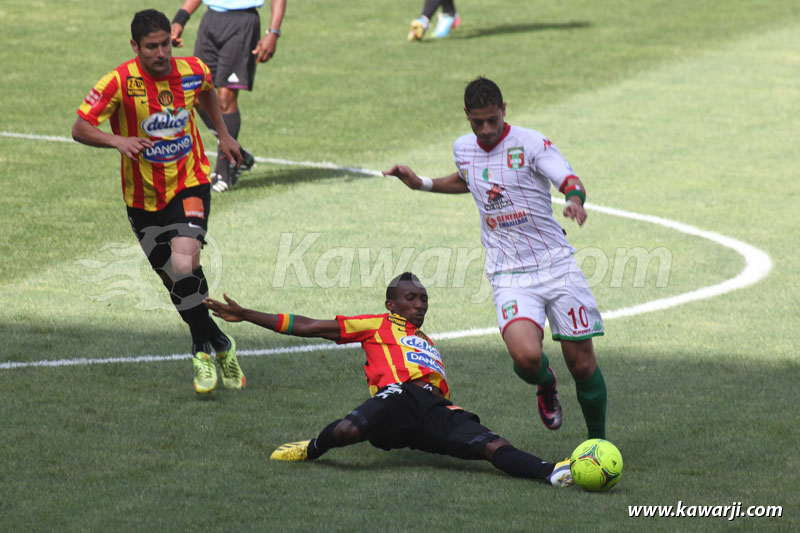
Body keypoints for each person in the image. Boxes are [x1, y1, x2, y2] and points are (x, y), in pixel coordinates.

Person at [383, 77, 608, 440]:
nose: (486, 129)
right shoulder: (463, 148)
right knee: (526, 358)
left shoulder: (531, 142)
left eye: (492, 120)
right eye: (477, 122)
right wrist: (420, 183)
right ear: (467, 117)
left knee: (582, 364)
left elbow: (568, 179)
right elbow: (469, 180)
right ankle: (546, 384)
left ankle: (597, 441)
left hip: (556, 264)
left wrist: (574, 200)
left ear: (504, 110)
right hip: (508, 272)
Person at [203, 272, 574, 487]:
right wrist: (248, 314)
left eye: (424, 299)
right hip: (396, 399)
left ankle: (551, 472)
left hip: (433, 408)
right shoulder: (377, 325)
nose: (420, 304)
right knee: (347, 432)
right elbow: (312, 326)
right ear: (391, 305)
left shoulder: (427, 342)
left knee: (492, 446)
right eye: (411, 298)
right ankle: (313, 447)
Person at [71, 9, 246, 394]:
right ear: (135, 46)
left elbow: (207, 95)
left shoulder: (193, 68)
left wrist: (222, 134)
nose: (161, 52)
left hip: (189, 182)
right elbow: (80, 127)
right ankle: (216, 341)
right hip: (142, 197)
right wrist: (118, 141)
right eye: (152, 46)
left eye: (166, 43)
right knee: (173, 279)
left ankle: (201, 352)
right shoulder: (117, 82)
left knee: (185, 264)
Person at [170, 0, 287, 192]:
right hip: (211, 21)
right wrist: (180, 19)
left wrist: (273, 32)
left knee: (226, 98)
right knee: (196, 93)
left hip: (242, 22)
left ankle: (224, 171)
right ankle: (238, 154)